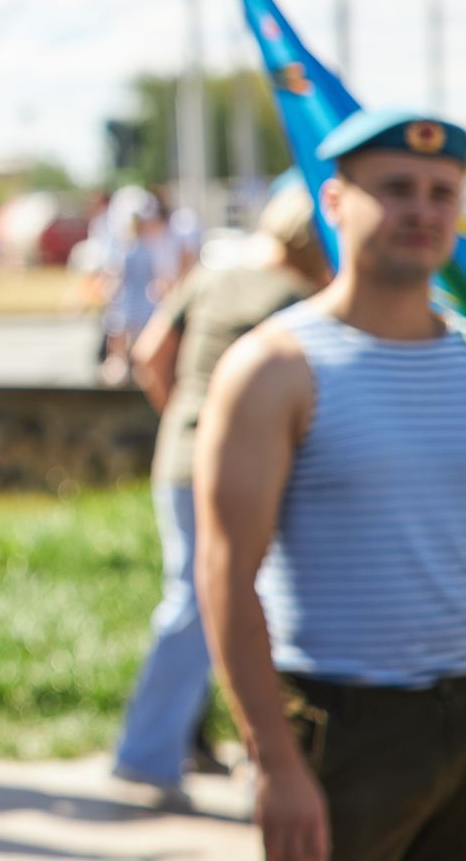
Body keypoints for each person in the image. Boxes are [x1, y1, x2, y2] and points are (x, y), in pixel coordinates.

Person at [197, 109, 466, 861]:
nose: (422, 210)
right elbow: (224, 575)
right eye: (396, 188)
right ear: (334, 202)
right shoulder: (275, 367)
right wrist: (274, 760)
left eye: (442, 192)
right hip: (348, 724)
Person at [111, 180, 331, 802]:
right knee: (207, 600)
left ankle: (184, 741)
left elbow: (152, 353)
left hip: (178, 454)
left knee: (202, 596)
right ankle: (147, 752)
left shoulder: (215, 273)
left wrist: (184, 420)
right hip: (242, 465)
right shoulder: (298, 298)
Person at [99, 190, 178, 384]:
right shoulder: (126, 246)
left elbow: (157, 272)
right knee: (120, 329)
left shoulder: (146, 246)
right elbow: (115, 270)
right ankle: (120, 362)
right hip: (128, 295)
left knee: (137, 330)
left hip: (140, 295)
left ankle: (135, 363)